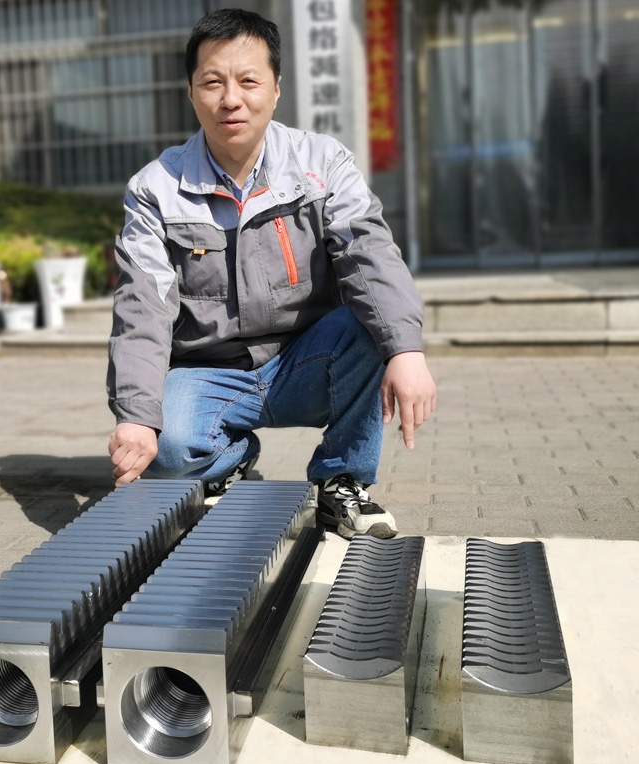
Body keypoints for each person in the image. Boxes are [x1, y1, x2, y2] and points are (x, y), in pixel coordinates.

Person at [107, 9, 436, 539]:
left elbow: (369, 254)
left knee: (369, 324)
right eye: (212, 82)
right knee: (166, 449)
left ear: (277, 89)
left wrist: (407, 350)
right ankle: (229, 459)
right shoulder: (155, 189)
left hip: (308, 360)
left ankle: (343, 480)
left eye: (248, 81)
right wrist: (137, 417)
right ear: (190, 93)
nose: (230, 99)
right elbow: (141, 306)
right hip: (210, 371)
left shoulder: (322, 164)